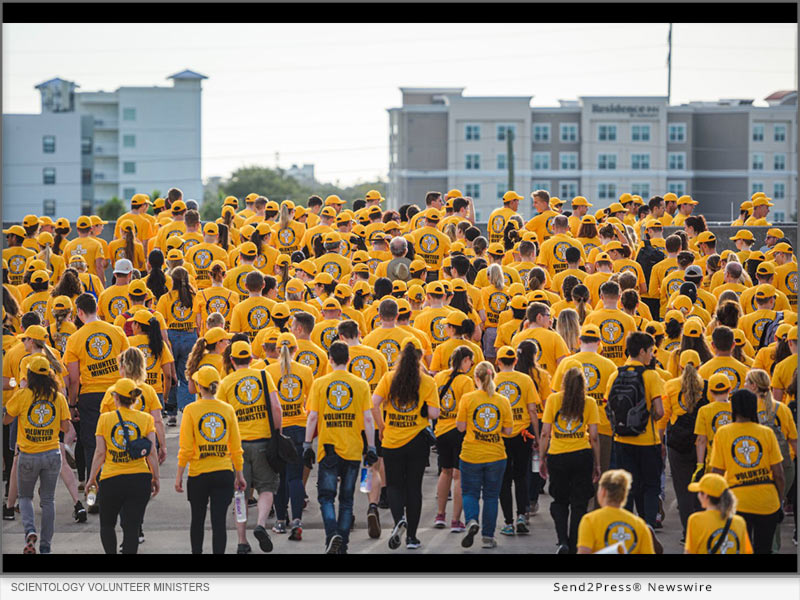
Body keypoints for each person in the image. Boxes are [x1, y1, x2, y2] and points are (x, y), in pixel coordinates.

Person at [304, 341, 376, 554]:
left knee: (326, 497)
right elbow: (368, 419)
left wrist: (307, 444)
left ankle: (331, 534)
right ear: (350, 360)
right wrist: (371, 447)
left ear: (330, 360)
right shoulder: (361, 384)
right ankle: (342, 543)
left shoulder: (320, 384)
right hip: (353, 449)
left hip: (328, 448)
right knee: (346, 499)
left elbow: (313, 417)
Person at [372, 337, 440, 550]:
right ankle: (412, 537)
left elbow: (373, 404)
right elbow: (434, 413)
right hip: (417, 441)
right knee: (414, 488)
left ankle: (399, 518)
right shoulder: (427, 381)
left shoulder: (389, 378)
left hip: (392, 440)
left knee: (393, 485)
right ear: (421, 357)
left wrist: (382, 426)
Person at [64, 293, 130, 512]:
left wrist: (72, 404)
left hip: (91, 396)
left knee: (93, 445)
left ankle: (95, 495)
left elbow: (73, 379)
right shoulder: (116, 331)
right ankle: (121, 491)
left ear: (80, 313)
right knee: (118, 440)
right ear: (97, 309)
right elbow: (127, 366)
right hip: (116, 394)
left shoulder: (76, 338)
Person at [217, 340, 282, 554]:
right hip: (263, 441)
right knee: (267, 488)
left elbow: (220, 417)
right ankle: (262, 524)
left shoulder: (226, 383)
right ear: (251, 359)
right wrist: (277, 433)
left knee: (240, 495)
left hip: (238, 448)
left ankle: (242, 541)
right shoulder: (264, 376)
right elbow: (276, 407)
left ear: (232, 360)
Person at [3, 356, 70, 554]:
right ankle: (45, 546)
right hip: (51, 454)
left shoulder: (23, 395)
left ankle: (30, 530)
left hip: (28, 455)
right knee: (48, 500)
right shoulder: (58, 398)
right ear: (50, 375)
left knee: (24, 497)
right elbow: (65, 426)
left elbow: (7, 420)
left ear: (30, 375)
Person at [176, 366, 246, 554]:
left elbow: (186, 448)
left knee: (197, 520)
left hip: (198, 473)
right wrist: (239, 474)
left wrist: (179, 475)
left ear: (199, 386)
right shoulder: (227, 409)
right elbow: (235, 447)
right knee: (219, 522)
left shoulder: (191, 410)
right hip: (223, 472)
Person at [86, 379, 159, 554]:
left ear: (116, 398)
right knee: (132, 526)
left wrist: (92, 478)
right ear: (134, 399)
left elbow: (100, 453)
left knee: (107, 524)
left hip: (112, 479)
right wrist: (155, 477)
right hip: (139, 478)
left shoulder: (105, 419)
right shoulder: (146, 419)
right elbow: (152, 452)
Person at [708, 389, 785, 554]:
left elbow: (717, 474)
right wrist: (779, 501)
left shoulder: (723, 433)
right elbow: (778, 474)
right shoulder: (767, 433)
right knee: (764, 549)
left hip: (737, 502)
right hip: (767, 502)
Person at [540, 361, 602, 554]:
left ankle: (562, 541)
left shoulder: (553, 400)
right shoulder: (589, 402)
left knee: (559, 500)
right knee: (579, 502)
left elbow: (545, 433)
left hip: (558, 455)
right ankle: (575, 542)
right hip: (581, 455)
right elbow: (593, 436)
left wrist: (542, 458)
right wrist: (597, 463)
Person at [605, 332, 664, 529]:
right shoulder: (650, 375)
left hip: (622, 440)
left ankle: (626, 525)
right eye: (650, 351)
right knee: (650, 486)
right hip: (648, 441)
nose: (652, 355)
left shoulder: (616, 374)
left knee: (627, 486)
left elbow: (609, 408)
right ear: (641, 351)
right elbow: (659, 410)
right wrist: (648, 420)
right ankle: (647, 524)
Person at [455, 360, 513, 550]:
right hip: (496, 455)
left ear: (476, 378)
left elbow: (461, 427)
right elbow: (508, 430)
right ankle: (488, 537)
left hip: (471, 454)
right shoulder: (503, 401)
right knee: (491, 496)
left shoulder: (468, 398)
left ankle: (471, 519)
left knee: (470, 492)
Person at [266, 332, 314, 539]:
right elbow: (310, 405)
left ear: (277, 350)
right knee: (295, 478)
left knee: (278, 477)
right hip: (300, 428)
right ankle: (296, 520)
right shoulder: (305, 370)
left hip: (278, 430)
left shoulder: (267, 371)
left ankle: (279, 521)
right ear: (296, 349)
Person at [494, 345, 540, 537]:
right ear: (515, 361)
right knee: (521, 477)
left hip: (500, 435)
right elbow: (532, 410)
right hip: (522, 434)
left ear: (497, 362)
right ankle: (522, 514)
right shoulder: (525, 379)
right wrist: (537, 437)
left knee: (504, 481)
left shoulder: (493, 380)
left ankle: (508, 522)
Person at [432, 345, 475, 532]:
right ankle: (456, 520)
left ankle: (440, 514)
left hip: (441, 430)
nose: (471, 365)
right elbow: (469, 408)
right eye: (470, 361)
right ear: (465, 360)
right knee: (459, 475)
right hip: (459, 431)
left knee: (445, 471)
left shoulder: (439, 377)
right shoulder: (466, 381)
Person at [156, 267, 199, 425]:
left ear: (171, 280)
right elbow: (199, 319)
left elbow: (161, 321)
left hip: (172, 337)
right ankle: (188, 412)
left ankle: (172, 413)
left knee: (172, 376)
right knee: (186, 375)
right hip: (190, 336)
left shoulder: (165, 298)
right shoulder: (195, 296)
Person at [576, 469, 655, 554]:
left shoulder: (590, 520)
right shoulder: (639, 524)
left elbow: (584, 551)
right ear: (625, 494)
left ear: (603, 492)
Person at [685, 473, 753, 554]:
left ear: (706, 495)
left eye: (699, 492)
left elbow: (689, 551)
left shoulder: (695, 520)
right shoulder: (740, 522)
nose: (698, 495)